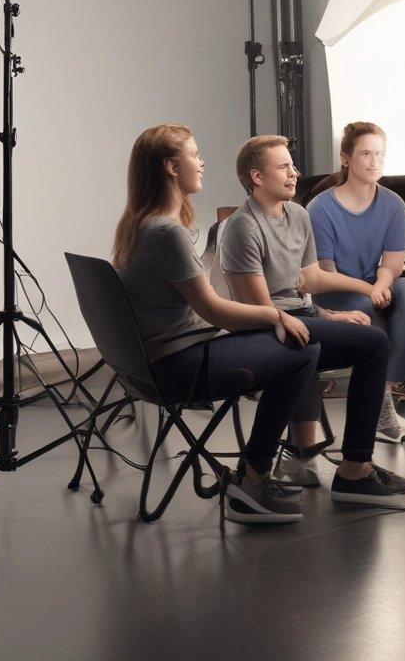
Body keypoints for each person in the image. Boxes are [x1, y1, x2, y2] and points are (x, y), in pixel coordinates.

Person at [113, 123, 318, 526]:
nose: (202, 162)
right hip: (180, 365)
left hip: (153, 364)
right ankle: (252, 482)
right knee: (303, 350)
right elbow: (215, 312)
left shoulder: (141, 223)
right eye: (194, 154)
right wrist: (276, 314)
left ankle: (269, 468)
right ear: (172, 167)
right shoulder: (166, 232)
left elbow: (195, 295)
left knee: (290, 344)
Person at [218, 134, 405, 505]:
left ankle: (355, 467)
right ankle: (349, 469)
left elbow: (306, 282)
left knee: (369, 339)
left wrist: (330, 315)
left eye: (293, 166)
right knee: (369, 343)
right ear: (257, 177)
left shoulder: (297, 215)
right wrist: (311, 320)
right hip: (265, 327)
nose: (294, 173)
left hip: (299, 316)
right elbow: (263, 310)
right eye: (283, 167)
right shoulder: (243, 226)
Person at [306, 121, 405, 443]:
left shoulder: (393, 204)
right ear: (345, 158)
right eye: (365, 154)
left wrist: (382, 284)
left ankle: (384, 390)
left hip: (373, 285)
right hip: (333, 292)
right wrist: (371, 289)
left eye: (380, 154)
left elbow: (393, 264)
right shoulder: (320, 208)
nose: (375, 162)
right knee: (367, 305)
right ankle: (382, 409)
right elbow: (325, 274)